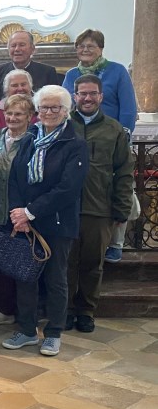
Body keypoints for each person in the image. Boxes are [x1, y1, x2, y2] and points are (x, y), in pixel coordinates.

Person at [3, 86, 88, 357]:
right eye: (44, 108)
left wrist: (30, 212)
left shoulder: (75, 144)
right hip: (26, 222)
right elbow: (15, 178)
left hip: (58, 222)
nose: (49, 113)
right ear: (37, 112)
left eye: (55, 108)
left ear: (66, 111)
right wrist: (19, 213)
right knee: (25, 276)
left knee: (55, 278)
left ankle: (53, 333)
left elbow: (68, 188)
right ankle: (28, 330)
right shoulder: (30, 139)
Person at [67, 75, 134, 333]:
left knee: (93, 264)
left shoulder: (114, 129)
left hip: (99, 208)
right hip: (66, 208)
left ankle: (86, 310)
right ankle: (66, 309)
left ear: (101, 97)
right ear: (74, 96)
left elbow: (124, 172)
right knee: (66, 264)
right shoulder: (63, 125)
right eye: (82, 93)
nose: (87, 98)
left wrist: (121, 208)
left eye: (92, 93)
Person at [0, 94, 35, 328]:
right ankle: (3, 310)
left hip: (23, 215)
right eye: (9, 113)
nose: (13, 118)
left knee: (24, 266)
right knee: (1, 264)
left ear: (30, 117)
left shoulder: (34, 143)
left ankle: (26, 314)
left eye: (19, 114)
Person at [62, 29, 137, 133]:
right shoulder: (71, 74)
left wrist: (123, 135)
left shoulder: (118, 71)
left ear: (101, 49)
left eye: (90, 46)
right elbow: (63, 106)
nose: (85, 50)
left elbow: (128, 108)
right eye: (81, 46)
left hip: (110, 134)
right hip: (77, 135)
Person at [0, 30, 60, 104]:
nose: (17, 49)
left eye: (22, 45)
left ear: (32, 49)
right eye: (13, 46)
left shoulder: (47, 72)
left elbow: (55, 102)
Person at [0, 69, 37, 139]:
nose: (20, 88)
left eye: (23, 84)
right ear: (6, 89)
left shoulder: (41, 109)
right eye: (14, 85)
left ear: (30, 86)